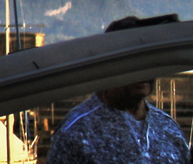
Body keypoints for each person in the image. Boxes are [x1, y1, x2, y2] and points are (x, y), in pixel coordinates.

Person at [48, 19, 189, 164]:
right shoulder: (76, 130)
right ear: (110, 63)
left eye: (148, 58)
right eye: (133, 59)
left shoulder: (168, 128)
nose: (143, 69)